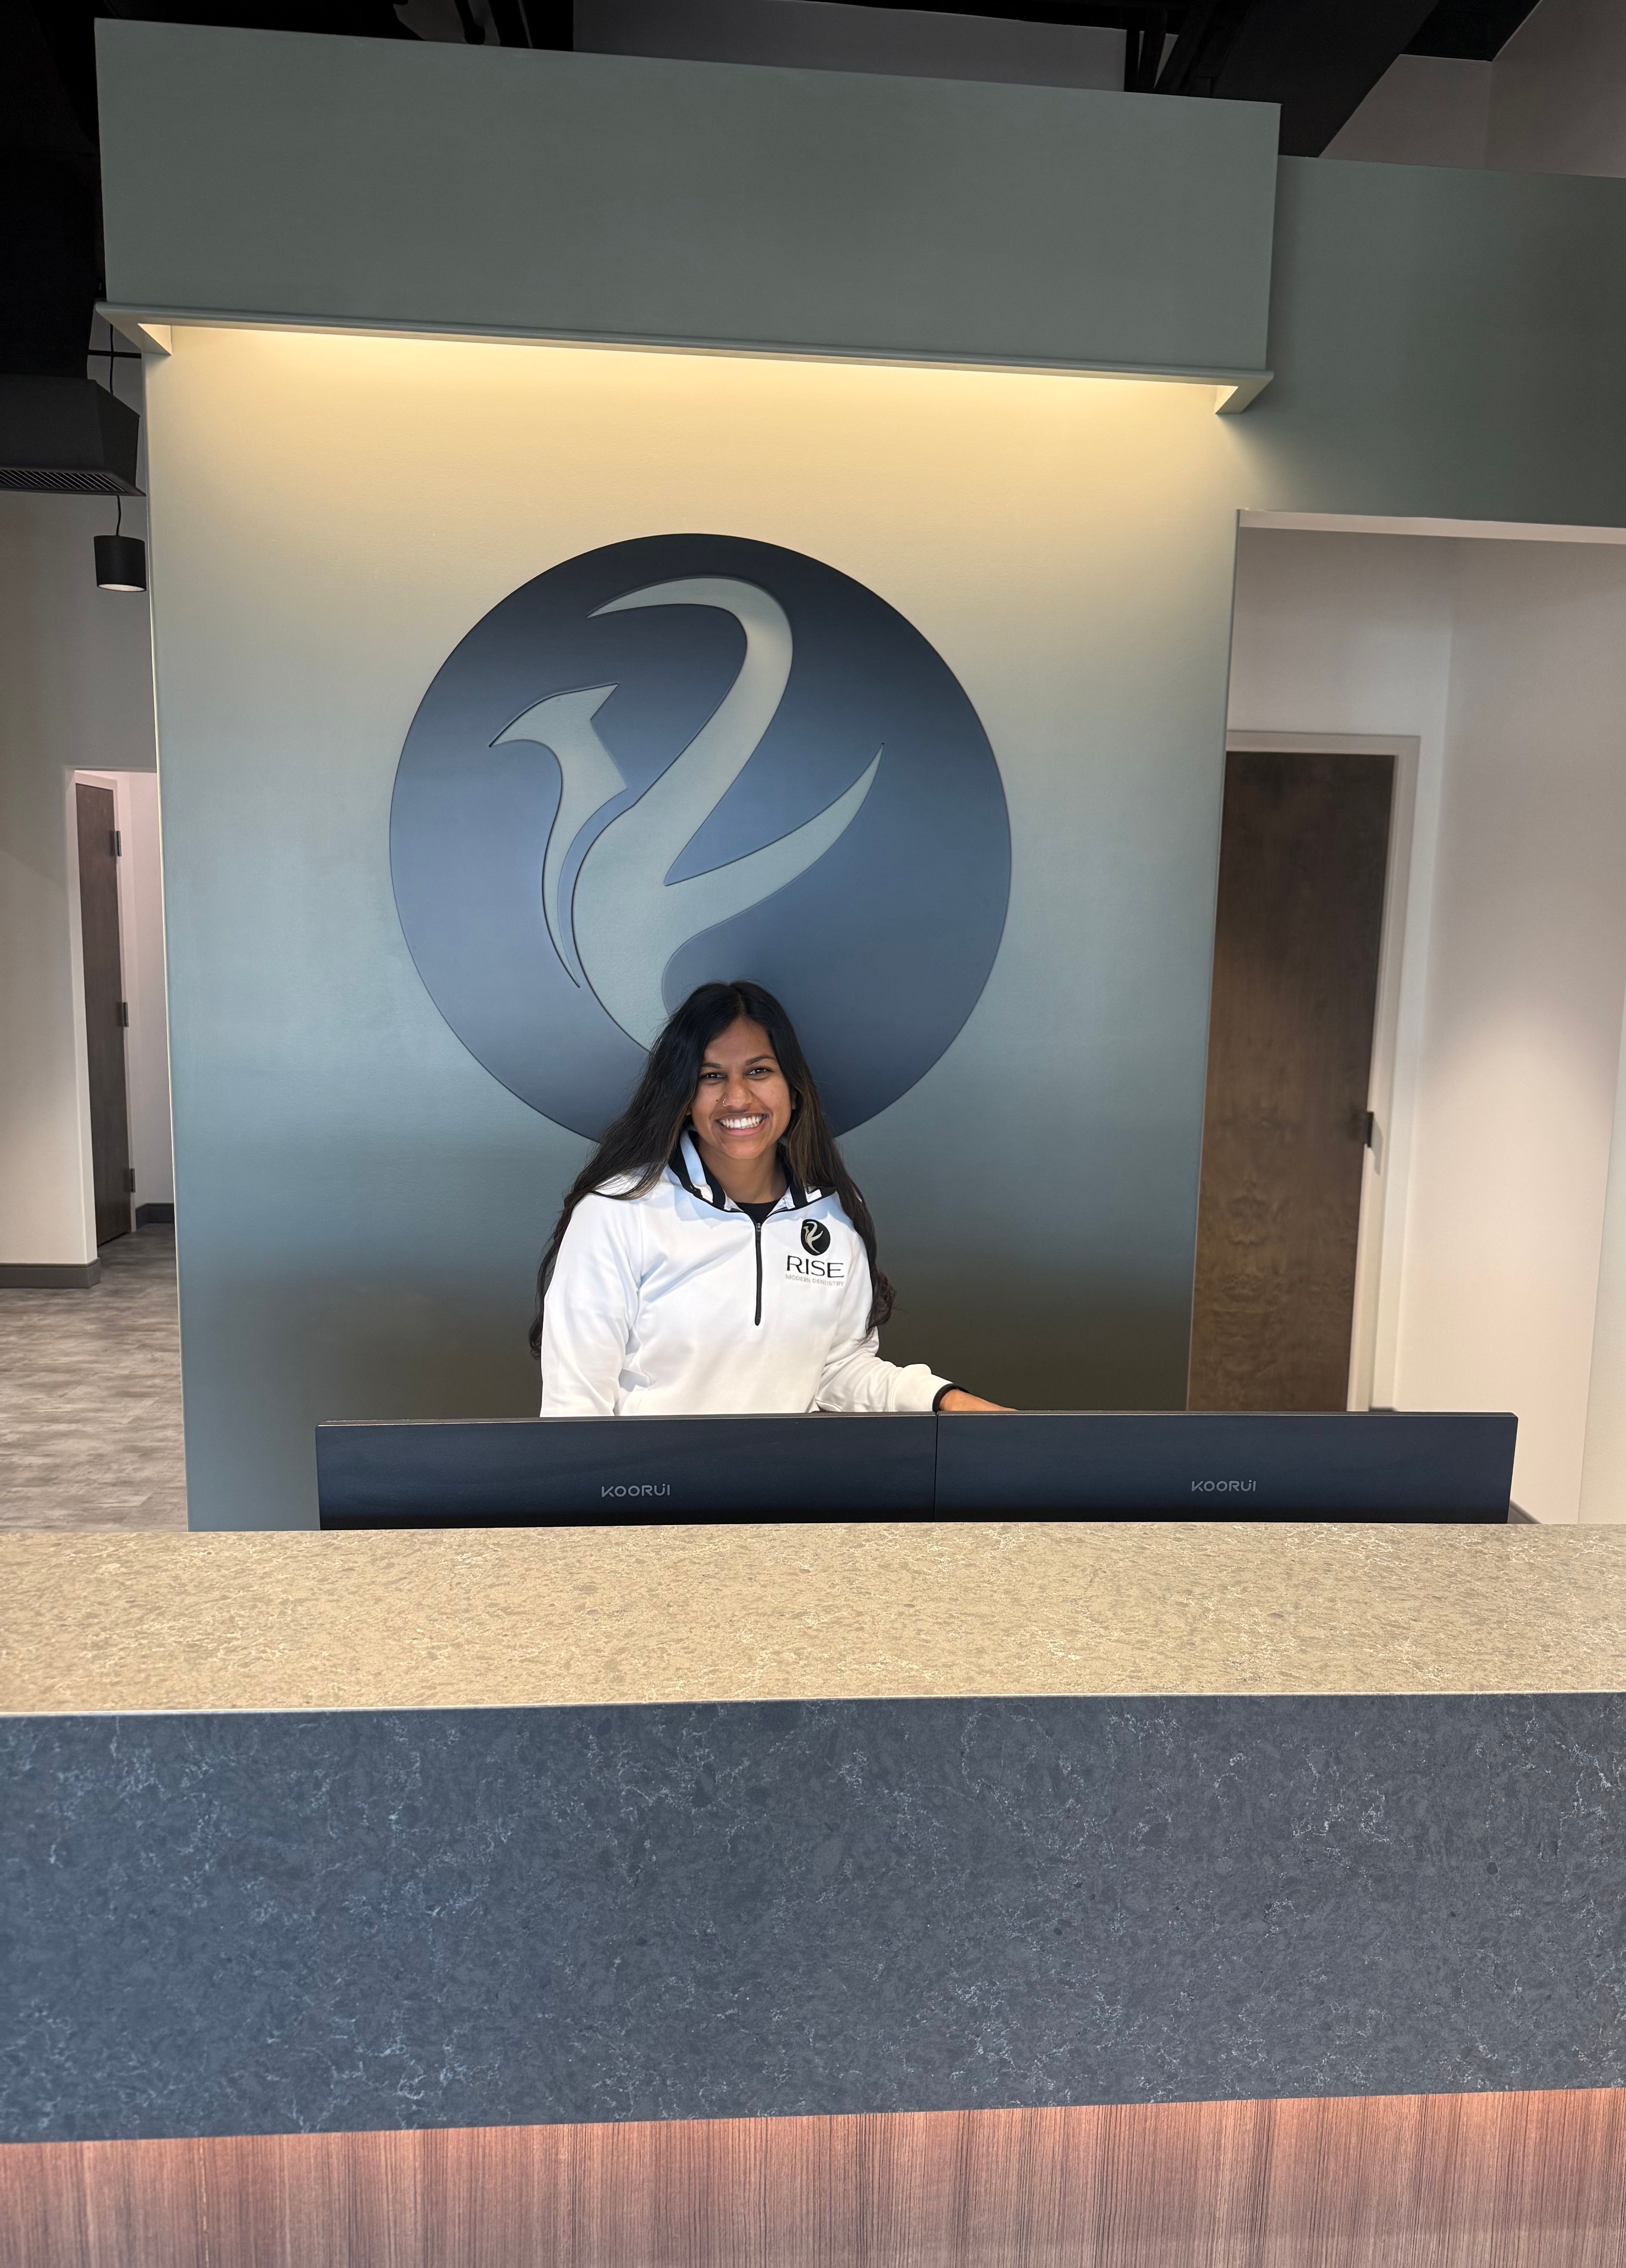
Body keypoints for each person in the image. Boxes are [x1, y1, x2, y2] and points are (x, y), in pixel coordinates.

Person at [533, 979, 1007, 1417]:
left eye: (759, 1070)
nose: (738, 1098)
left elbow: (837, 1370)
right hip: (653, 1499)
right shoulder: (618, 1210)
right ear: (682, 1097)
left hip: (787, 1498)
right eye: (711, 1076)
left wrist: (947, 1400)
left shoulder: (838, 1207)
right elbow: (575, 1405)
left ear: (795, 1090)